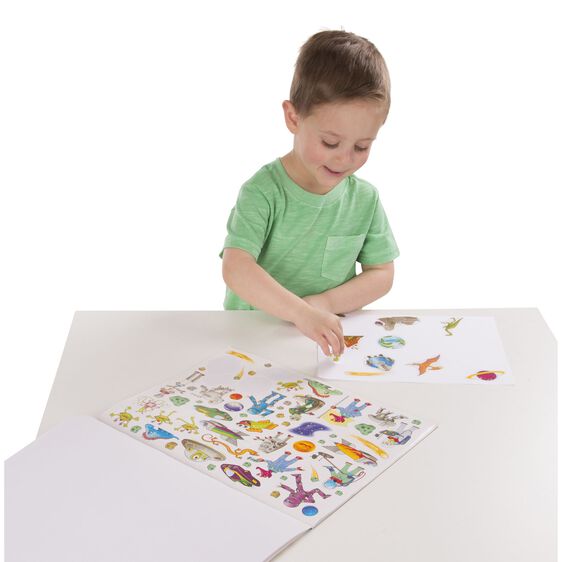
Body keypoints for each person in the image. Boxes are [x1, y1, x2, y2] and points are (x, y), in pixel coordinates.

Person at [220, 29, 399, 358]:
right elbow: (236, 268)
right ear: (293, 118)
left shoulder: (365, 199)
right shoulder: (263, 191)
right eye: (330, 142)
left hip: (323, 344)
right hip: (254, 340)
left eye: (362, 146)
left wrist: (323, 304)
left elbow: (382, 274)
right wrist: (300, 313)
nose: (344, 159)